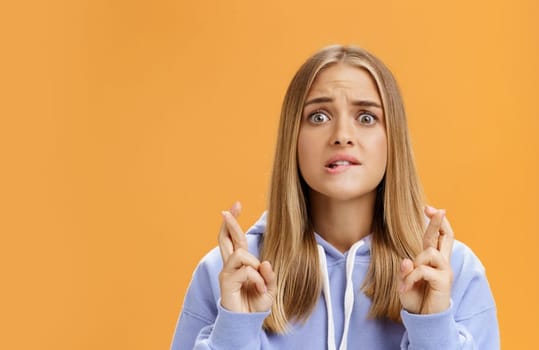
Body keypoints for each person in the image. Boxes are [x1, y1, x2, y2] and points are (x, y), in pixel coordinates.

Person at [170, 45, 499, 350]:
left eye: (367, 117)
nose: (342, 135)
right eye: (319, 117)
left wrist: (433, 328)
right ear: (293, 139)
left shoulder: (454, 271)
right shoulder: (226, 273)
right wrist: (235, 331)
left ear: (392, 140)